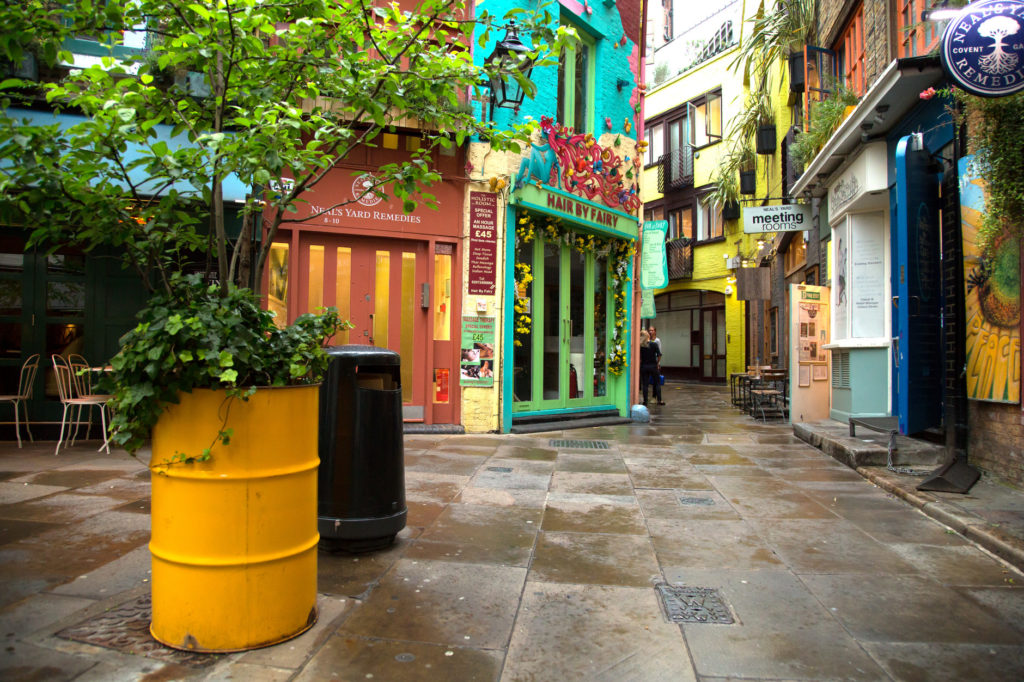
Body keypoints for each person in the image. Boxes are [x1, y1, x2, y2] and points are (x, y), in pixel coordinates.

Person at [638, 330, 661, 406]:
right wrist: (657, 363)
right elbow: (659, 354)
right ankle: (659, 400)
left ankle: (645, 401)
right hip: (653, 366)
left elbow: (639, 357)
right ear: (648, 335)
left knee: (645, 384)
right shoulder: (654, 344)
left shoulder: (640, 346)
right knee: (657, 382)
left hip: (644, 366)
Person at [648, 326, 664, 405]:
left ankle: (655, 397)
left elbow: (659, 352)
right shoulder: (647, 340)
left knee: (656, 381)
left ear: (655, 331)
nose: (650, 332)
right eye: (649, 330)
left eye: (652, 330)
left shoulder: (657, 340)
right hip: (648, 363)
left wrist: (658, 363)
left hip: (655, 363)